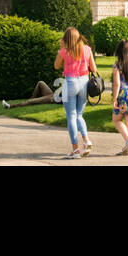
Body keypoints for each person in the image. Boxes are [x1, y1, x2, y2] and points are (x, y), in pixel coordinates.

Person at [53, 27, 96, 158]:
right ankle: (86, 140)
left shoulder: (64, 51)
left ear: (65, 39)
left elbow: (56, 66)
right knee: (79, 115)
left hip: (69, 83)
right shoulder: (87, 49)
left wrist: (61, 48)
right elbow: (93, 68)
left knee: (71, 116)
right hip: (84, 82)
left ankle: (75, 150)